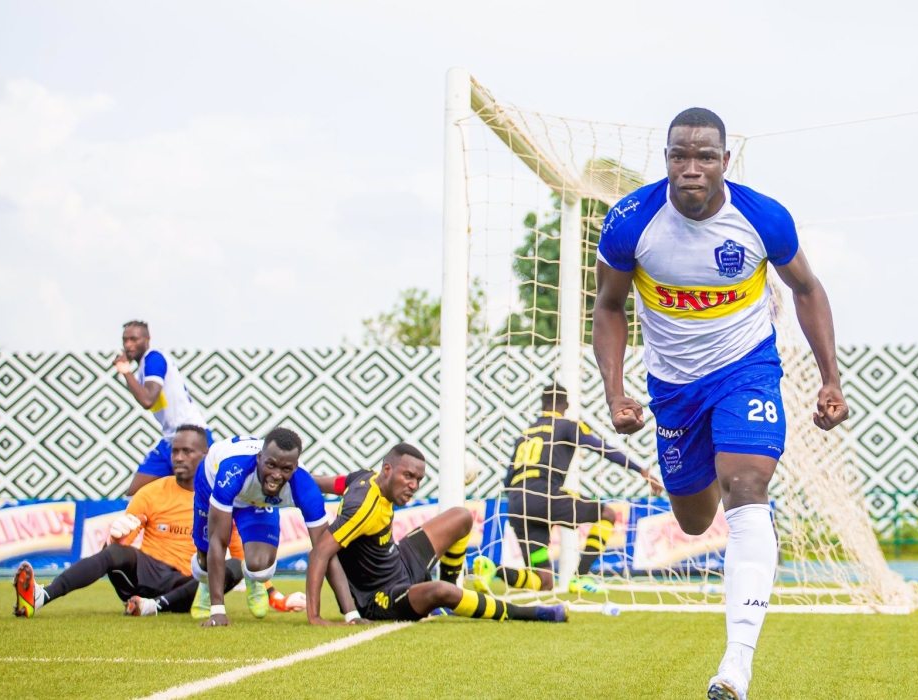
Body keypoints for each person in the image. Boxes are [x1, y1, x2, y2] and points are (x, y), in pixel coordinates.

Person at [591, 108, 850, 700]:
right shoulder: (631, 221)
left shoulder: (763, 218)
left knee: (746, 489)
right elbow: (608, 306)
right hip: (674, 389)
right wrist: (615, 391)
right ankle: (701, 477)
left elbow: (806, 289)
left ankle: (736, 664)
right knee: (695, 519)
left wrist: (831, 379)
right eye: (679, 156)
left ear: (725, 161)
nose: (691, 169)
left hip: (746, 371)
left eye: (704, 156)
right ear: (666, 161)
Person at [304, 443, 567, 626]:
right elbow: (319, 554)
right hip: (381, 595)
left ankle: (453, 589)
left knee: (462, 517)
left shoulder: (364, 478)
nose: (413, 485)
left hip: (399, 560)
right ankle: (529, 613)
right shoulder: (362, 507)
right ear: (388, 470)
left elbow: (323, 483)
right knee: (438, 591)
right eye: (408, 476)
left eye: (418, 479)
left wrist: (293, 477)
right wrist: (317, 616)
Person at [12, 425, 243, 617]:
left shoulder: (220, 498)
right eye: (175, 452)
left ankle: (153, 606)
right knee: (114, 552)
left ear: (206, 454)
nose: (179, 458)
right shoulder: (150, 492)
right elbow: (119, 545)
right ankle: (41, 596)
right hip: (146, 574)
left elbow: (239, 556)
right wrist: (113, 539)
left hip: (187, 585)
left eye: (187, 451)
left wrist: (265, 590)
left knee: (234, 566)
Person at [472, 382, 662, 595]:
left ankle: (493, 569)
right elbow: (600, 448)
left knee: (544, 581)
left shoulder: (524, 435)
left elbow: (508, 479)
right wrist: (642, 471)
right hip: (545, 496)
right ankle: (580, 577)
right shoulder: (567, 425)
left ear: (542, 404)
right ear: (567, 404)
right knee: (606, 514)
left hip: (517, 503)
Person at [191, 427, 347, 627]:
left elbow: (325, 550)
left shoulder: (304, 484)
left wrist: (351, 615)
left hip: (256, 497)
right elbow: (218, 540)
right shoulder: (232, 470)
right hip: (213, 484)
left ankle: (252, 580)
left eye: (285, 469)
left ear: (295, 467)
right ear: (259, 458)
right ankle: (207, 585)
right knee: (204, 563)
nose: (276, 475)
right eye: (271, 465)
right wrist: (218, 611)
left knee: (261, 569)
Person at [113, 320, 209, 497]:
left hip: (191, 436)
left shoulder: (154, 358)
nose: (128, 345)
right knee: (134, 495)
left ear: (147, 339)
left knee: (202, 493)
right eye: (125, 340)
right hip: (170, 439)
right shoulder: (144, 367)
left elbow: (148, 399)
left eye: (134, 339)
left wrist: (126, 371)